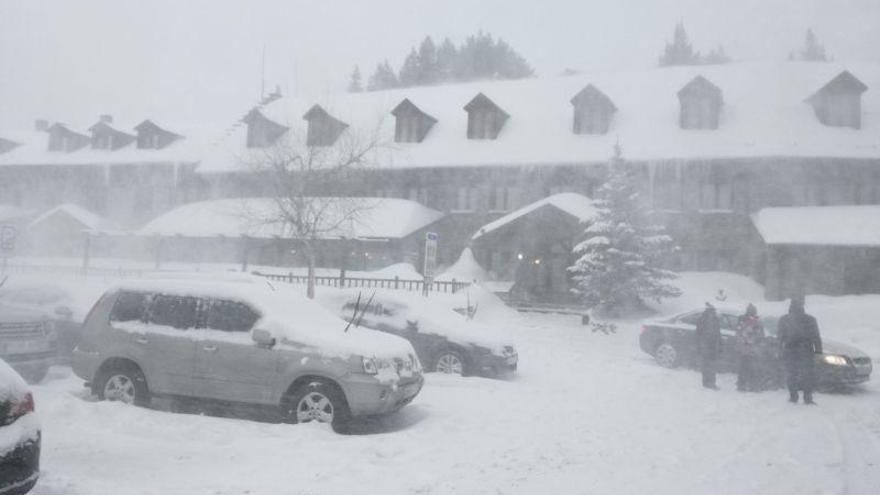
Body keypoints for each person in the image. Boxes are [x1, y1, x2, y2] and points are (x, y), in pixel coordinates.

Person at [777, 295, 822, 404]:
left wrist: (779, 350)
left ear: (790, 305)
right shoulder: (810, 319)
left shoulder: (784, 320)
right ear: (803, 306)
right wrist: (818, 352)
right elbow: (816, 337)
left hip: (790, 350)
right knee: (807, 375)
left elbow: (780, 337)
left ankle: (793, 396)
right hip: (806, 351)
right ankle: (807, 398)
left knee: (791, 374)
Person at [735, 303, 765, 392]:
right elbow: (759, 336)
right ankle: (749, 386)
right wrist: (753, 343)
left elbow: (739, 335)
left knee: (746, 368)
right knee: (751, 369)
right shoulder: (748, 321)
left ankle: (744, 385)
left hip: (746, 350)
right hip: (750, 350)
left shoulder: (744, 321)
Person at [695, 303, 721, 390]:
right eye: (713, 310)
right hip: (707, 345)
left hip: (710, 345)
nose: (714, 312)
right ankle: (708, 383)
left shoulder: (712, 319)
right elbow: (699, 333)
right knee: (709, 365)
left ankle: (708, 382)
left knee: (709, 365)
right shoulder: (703, 320)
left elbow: (717, 333)